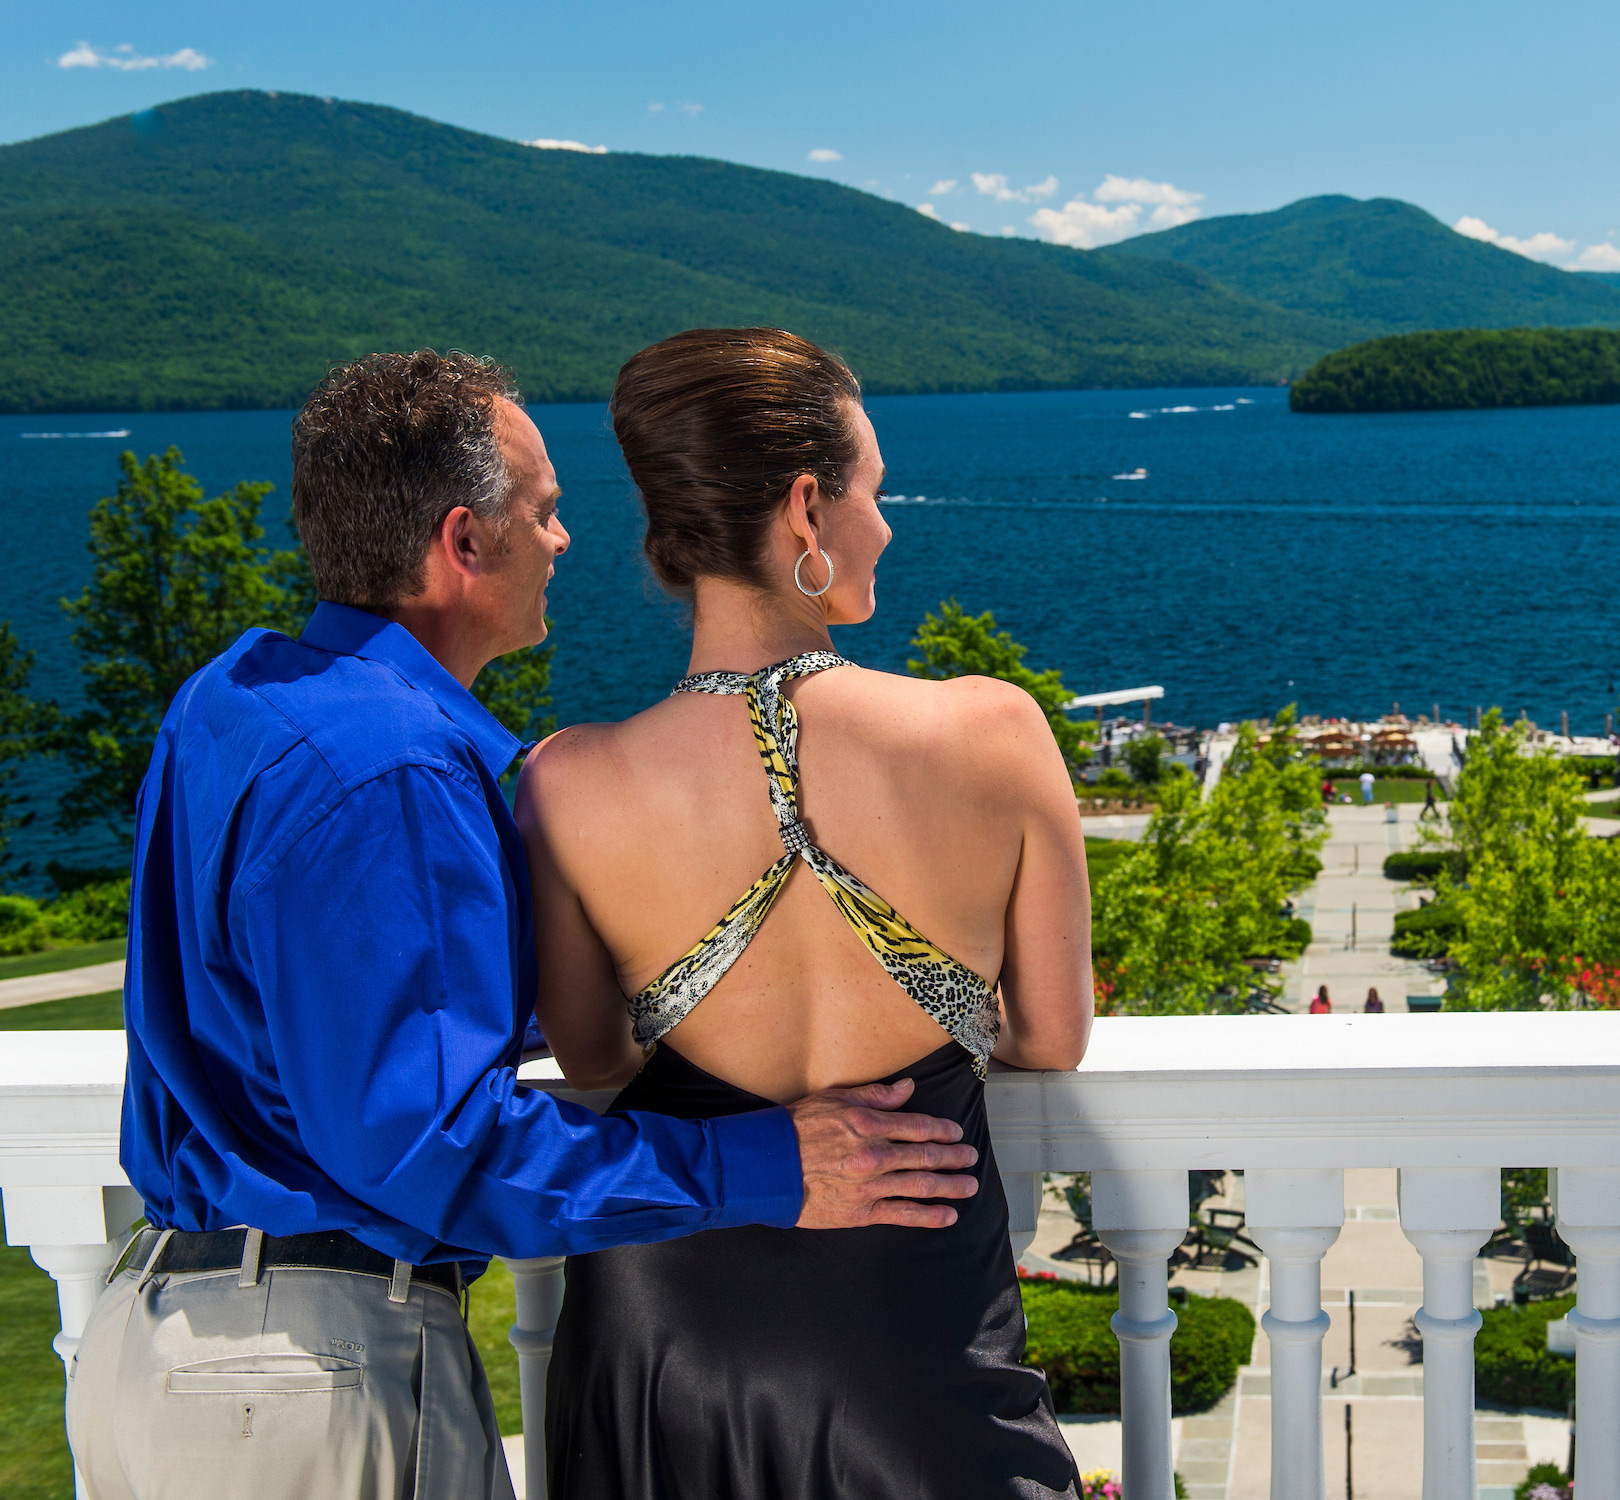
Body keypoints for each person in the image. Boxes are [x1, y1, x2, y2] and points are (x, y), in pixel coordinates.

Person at [70, 351, 977, 1500]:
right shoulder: (390, 772)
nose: (561, 542)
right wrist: (764, 1164)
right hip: (300, 1378)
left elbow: (300, 1015)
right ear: (463, 543)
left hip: (162, 1346)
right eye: (543, 515)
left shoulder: (230, 697)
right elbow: (429, 1148)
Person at [519, 329, 1091, 1499]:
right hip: (908, 1330)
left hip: (660, 1328)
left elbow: (591, 1053)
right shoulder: (993, 731)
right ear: (806, 511)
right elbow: (1050, 1036)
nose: (886, 523)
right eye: (873, 490)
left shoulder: (568, 779)